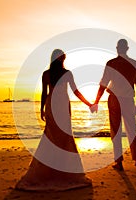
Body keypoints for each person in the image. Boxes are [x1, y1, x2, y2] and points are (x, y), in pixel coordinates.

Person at [15, 49, 92, 191]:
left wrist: (42, 109)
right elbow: (75, 91)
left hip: (52, 104)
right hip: (62, 104)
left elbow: (45, 93)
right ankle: (63, 171)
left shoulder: (47, 74)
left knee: (51, 137)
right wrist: (89, 104)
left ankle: (52, 170)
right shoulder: (66, 73)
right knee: (64, 137)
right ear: (61, 59)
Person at [93, 39, 136, 171]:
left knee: (116, 131)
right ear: (127, 48)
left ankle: (119, 161)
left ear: (117, 48)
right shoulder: (135, 64)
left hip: (115, 99)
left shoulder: (111, 63)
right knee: (131, 129)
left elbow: (103, 84)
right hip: (128, 100)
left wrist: (96, 101)